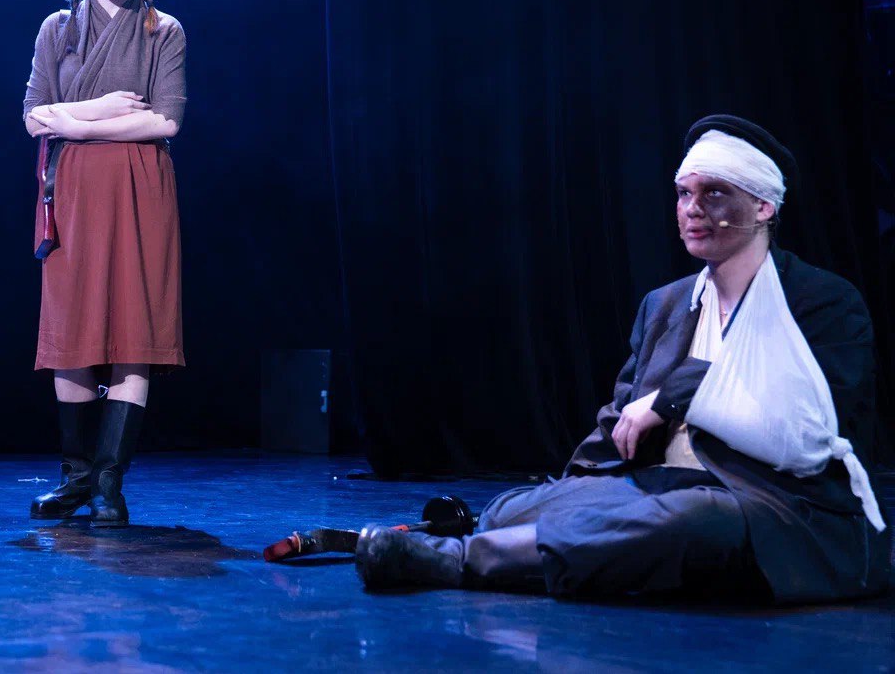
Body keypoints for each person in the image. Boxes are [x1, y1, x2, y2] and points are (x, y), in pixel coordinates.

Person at [355, 115, 890, 603]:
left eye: (715, 192)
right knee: (511, 510)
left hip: (773, 502)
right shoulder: (665, 305)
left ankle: (458, 562)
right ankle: (548, 543)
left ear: (763, 207)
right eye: (684, 193)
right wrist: (577, 487)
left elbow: (807, 423)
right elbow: (623, 416)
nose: (693, 209)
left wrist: (674, 397)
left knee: (696, 519)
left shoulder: (822, 303)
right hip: (665, 482)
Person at [22, 0, 186, 528]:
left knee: (132, 330)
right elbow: (34, 115)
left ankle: (110, 484)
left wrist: (74, 122)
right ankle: (77, 478)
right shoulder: (59, 29)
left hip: (140, 187)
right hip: (73, 191)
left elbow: (165, 120)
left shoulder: (162, 30)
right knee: (73, 330)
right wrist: (96, 108)